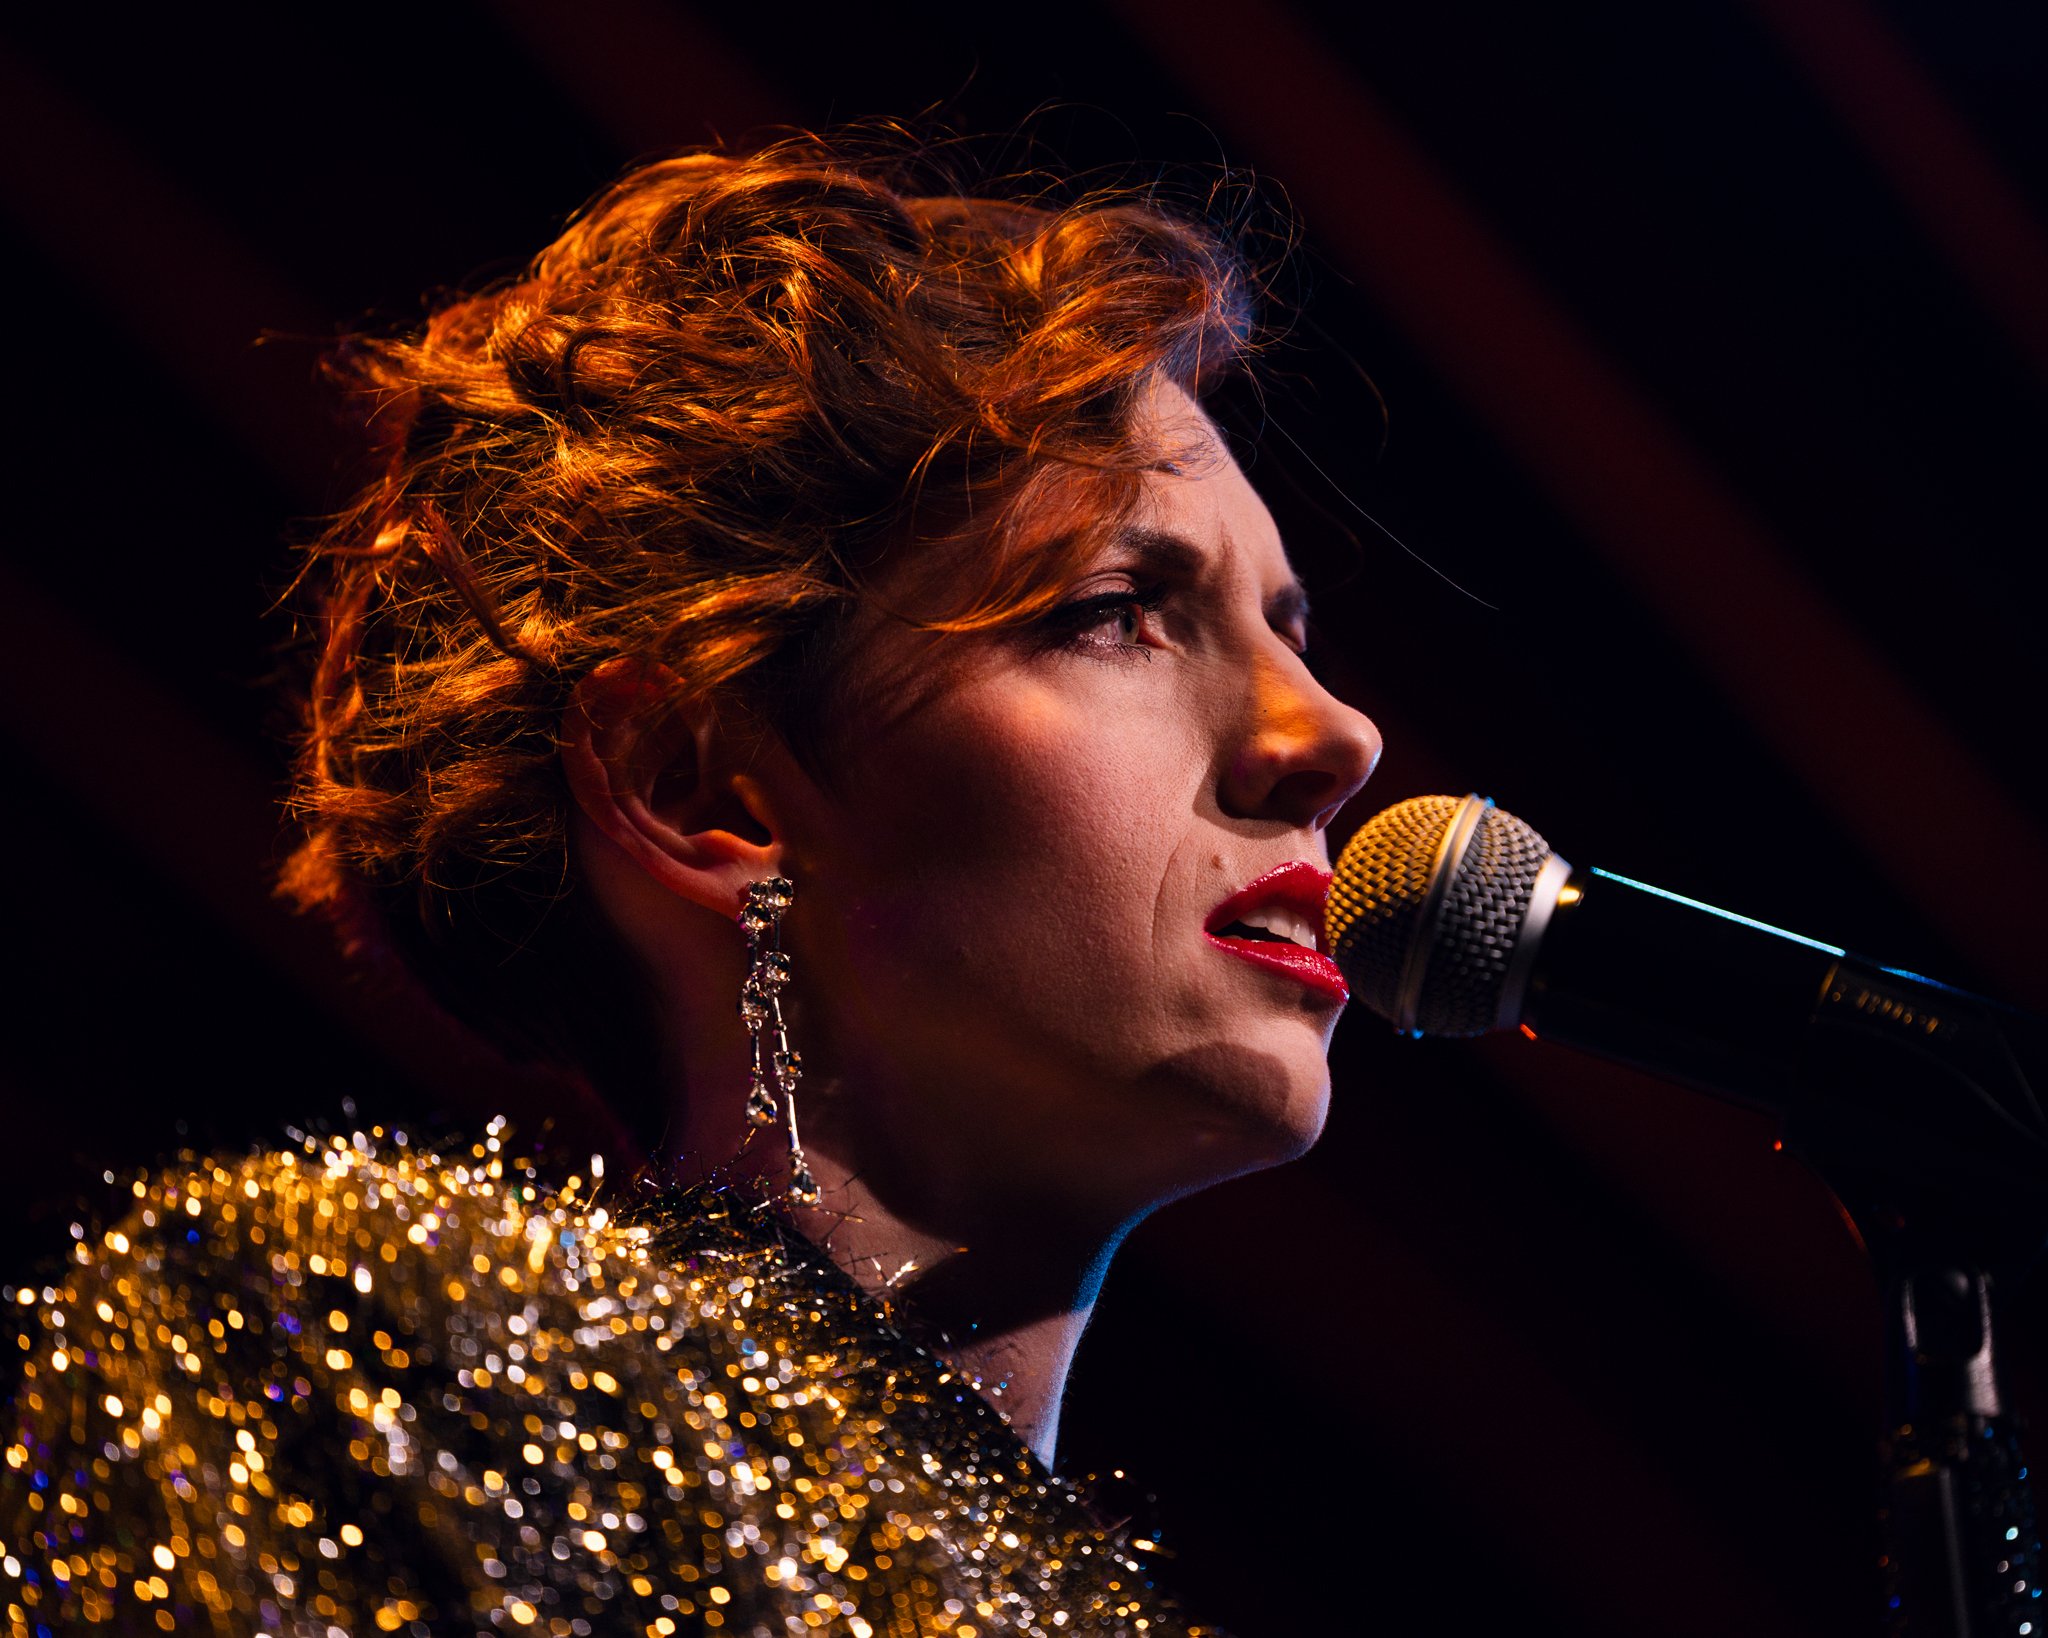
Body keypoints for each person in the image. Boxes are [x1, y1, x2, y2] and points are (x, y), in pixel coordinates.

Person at [0, 133, 1379, 1636]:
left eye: (1289, 630)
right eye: (1118, 615)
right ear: (695, 789)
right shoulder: (386, 1362)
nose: (1333, 737)